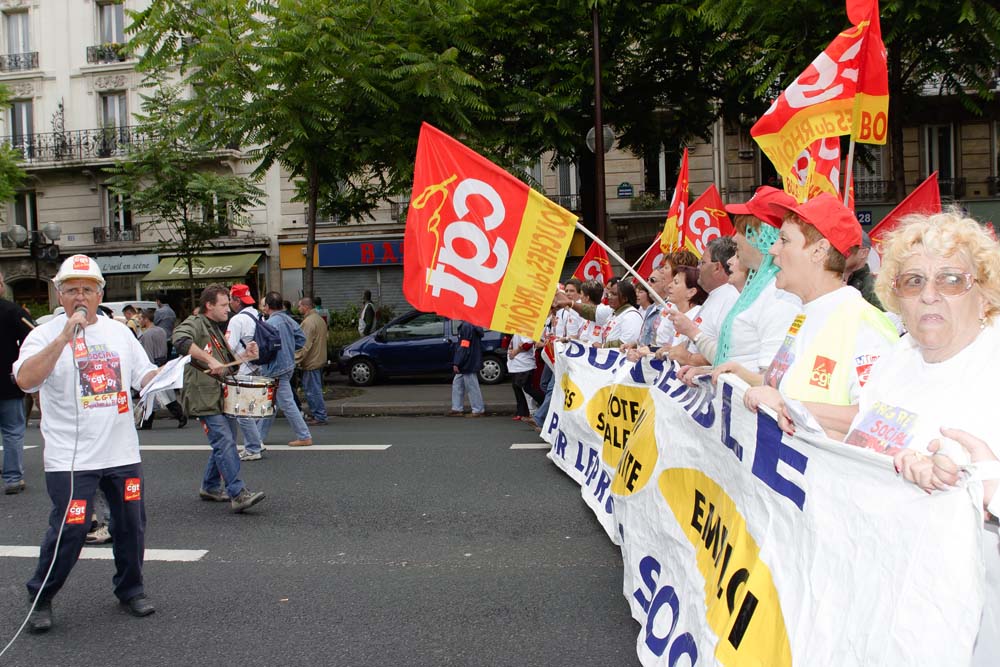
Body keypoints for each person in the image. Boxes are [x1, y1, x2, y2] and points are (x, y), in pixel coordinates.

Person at [839, 211, 1000, 665]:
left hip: (975, 623)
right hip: (888, 598)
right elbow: (860, 443)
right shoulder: (898, 357)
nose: (929, 295)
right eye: (912, 281)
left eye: (951, 279)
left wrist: (987, 483)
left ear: (983, 291)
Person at [15, 255, 160, 632]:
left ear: (100, 295)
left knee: (131, 523)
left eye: (88, 290)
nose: (81, 296)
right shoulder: (43, 335)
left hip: (121, 452)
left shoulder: (119, 333)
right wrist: (65, 336)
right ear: (59, 296)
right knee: (72, 528)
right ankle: (41, 595)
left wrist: (165, 376)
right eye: (72, 290)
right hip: (71, 457)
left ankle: (130, 589)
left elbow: (143, 374)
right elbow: (26, 381)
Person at [733, 193, 898, 438]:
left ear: (819, 250)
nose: (772, 249)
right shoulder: (804, 315)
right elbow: (782, 388)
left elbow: (882, 418)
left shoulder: (864, 325)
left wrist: (788, 406)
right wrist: (737, 375)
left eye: (784, 240)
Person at [172, 285, 267, 512]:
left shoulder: (214, 328)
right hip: (204, 396)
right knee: (224, 441)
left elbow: (226, 367)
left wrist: (245, 356)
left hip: (219, 395)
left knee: (225, 441)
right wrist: (208, 359)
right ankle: (238, 493)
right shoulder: (196, 323)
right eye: (224, 305)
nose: (229, 309)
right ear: (209, 305)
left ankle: (210, 486)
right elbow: (179, 340)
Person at [666, 237, 741, 366]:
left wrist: (689, 358)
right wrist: (672, 351)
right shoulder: (715, 295)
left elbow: (728, 355)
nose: (698, 267)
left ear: (717, 267)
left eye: (703, 263)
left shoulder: (730, 299)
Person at [255, 292, 312, 446]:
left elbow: (265, 348)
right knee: (271, 404)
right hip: (287, 364)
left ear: (267, 306)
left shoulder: (270, 324)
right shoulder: (288, 319)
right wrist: (289, 347)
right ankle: (258, 437)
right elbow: (301, 339)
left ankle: (304, 435)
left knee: (285, 403)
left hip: (274, 368)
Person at [225, 284, 266, 461]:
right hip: (257, 366)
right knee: (253, 408)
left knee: (242, 412)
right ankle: (257, 441)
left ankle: (253, 448)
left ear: (236, 300)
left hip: (242, 368)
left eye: (230, 299)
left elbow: (229, 346)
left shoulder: (236, 320)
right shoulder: (257, 314)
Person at [0, 271, 33, 494]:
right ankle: (12, 478)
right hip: (8, 381)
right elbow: (33, 338)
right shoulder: (13, 311)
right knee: (12, 431)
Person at [137, 309, 186, 430]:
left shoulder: (147, 334)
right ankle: (148, 421)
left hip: (153, 365)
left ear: (146, 319)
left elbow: (147, 354)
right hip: (163, 362)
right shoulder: (161, 331)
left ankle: (178, 416)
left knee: (154, 394)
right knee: (163, 394)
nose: (139, 321)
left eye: (140, 318)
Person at [296, 297, 328, 426]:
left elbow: (304, 345)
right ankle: (318, 414)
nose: (298, 309)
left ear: (306, 306)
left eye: (299, 306)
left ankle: (319, 415)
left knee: (312, 390)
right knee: (315, 388)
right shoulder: (319, 319)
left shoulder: (308, 322)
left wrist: (295, 359)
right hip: (318, 358)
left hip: (311, 361)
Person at [450, 320, 484, 417]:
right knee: (457, 383)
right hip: (470, 359)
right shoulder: (473, 324)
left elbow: (464, 346)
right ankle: (457, 408)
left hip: (467, 362)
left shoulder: (466, 326)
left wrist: (457, 362)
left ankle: (478, 410)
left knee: (472, 386)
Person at [507, 333, 543, 422]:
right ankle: (522, 412)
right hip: (516, 364)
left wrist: (516, 350)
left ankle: (544, 404)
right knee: (517, 387)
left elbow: (528, 344)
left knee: (528, 388)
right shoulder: (517, 330)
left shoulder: (524, 328)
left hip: (524, 364)